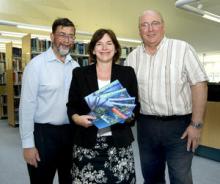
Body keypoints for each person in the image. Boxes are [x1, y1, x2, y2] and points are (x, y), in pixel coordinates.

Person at [124, 10, 208, 184]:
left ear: (163, 26)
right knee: (151, 177)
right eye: (144, 25)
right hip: (146, 127)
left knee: (180, 178)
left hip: (180, 128)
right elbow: (128, 95)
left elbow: (199, 84)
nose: (150, 29)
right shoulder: (132, 58)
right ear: (139, 30)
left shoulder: (182, 49)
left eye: (155, 23)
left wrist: (196, 125)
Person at [67, 28, 140, 183]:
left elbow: (135, 105)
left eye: (109, 43)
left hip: (119, 145)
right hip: (87, 145)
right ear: (93, 49)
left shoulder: (127, 73)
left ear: (116, 48)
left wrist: (129, 115)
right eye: (99, 44)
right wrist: (76, 119)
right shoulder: (79, 73)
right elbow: (71, 105)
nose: (104, 48)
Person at [19, 18, 79, 184]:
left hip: (70, 135)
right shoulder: (35, 66)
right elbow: (26, 107)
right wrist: (28, 145)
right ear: (52, 36)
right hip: (43, 136)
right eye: (62, 35)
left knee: (69, 180)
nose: (67, 40)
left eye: (71, 36)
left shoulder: (76, 68)